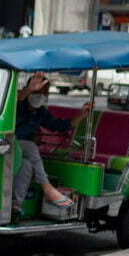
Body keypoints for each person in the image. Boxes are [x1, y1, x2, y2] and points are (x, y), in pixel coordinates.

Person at [13, 72, 91, 217]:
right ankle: (47, 187)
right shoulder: (18, 103)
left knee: (27, 166)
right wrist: (30, 90)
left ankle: (15, 206)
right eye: (38, 91)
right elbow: (14, 99)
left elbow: (60, 126)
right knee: (30, 146)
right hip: (4, 146)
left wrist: (82, 114)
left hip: (20, 155)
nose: (41, 95)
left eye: (44, 92)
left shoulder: (41, 112)